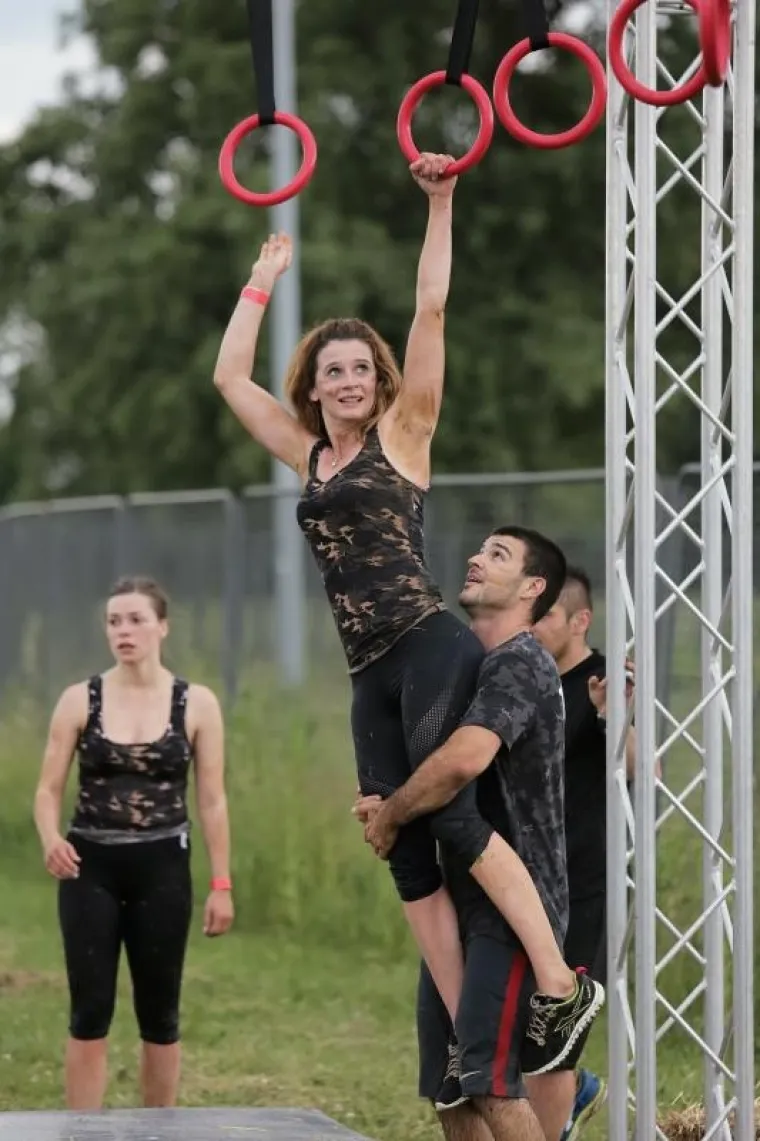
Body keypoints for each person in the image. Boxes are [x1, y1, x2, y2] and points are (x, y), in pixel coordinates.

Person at [214, 153, 601, 1104]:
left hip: (427, 647)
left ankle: (561, 985)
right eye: (332, 370)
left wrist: (441, 201)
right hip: (367, 674)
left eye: (360, 367)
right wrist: (262, 277)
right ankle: (475, 1038)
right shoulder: (307, 454)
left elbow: (431, 308)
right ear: (313, 386)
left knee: (450, 812)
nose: (348, 379)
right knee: (400, 851)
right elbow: (229, 377)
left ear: (379, 380)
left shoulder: (406, 433)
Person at [356, 527, 603, 1140]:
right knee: (452, 1092)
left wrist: (393, 814)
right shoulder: (468, 666)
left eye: (498, 555)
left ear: (533, 587)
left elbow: (464, 760)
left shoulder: (521, 661)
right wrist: (387, 801)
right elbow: (430, 769)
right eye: (481, 549)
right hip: (459, 901)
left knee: (489, 1082)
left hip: (512, 911)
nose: (475, 558)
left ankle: (565, 994)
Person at [33, 575, 234, 1112]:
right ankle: (83, 1131)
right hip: (89, 867)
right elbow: (47, 790)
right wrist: (50, 838)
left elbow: (213, 801)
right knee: (90, 1009)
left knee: (160, 1012)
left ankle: (157, 1129)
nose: (123, 631)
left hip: (163, 867)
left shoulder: (197, 703)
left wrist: (221, 884)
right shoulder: (80, 699)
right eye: (114, 621)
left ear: (162, 627)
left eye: (136, 620)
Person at [534, 567, 640, 1141]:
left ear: (581, 620)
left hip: (585, 879)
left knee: (555, 1015)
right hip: (525, 875)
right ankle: (572, 1092)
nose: (533, 624)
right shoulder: (523, 677)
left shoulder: (609, 680)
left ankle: (560, 1109)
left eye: (548, 614)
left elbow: (645, 769)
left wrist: (609, 715)